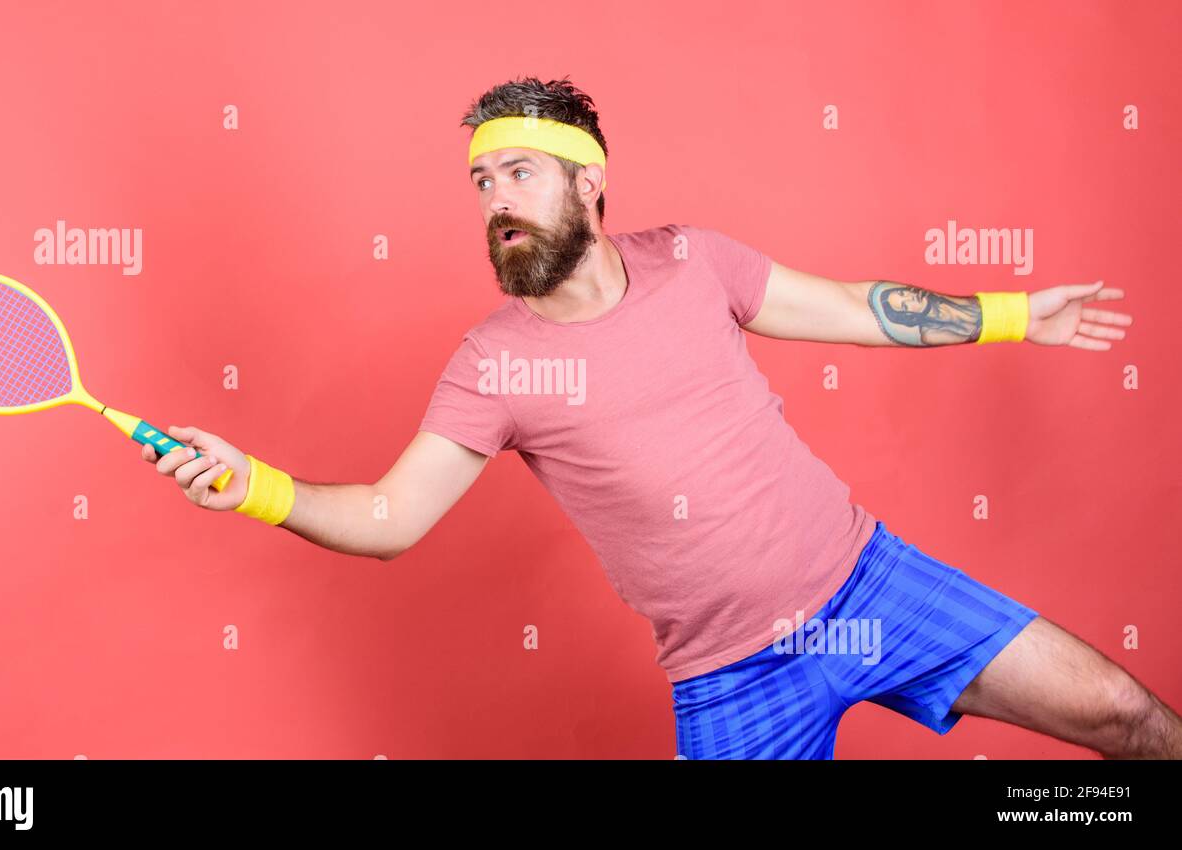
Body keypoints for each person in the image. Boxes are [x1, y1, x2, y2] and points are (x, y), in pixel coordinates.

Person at [141, 76, 1180, 759]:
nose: (494, 199)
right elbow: (386, 517)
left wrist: (1010, 315)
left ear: (588, 182)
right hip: (734, 680)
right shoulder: (492, 364)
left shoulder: (694, 260)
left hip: (872, 582)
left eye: (517, 172)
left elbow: (856, 307)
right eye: (479, 182)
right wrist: (254, 487)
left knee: (1127, 716)